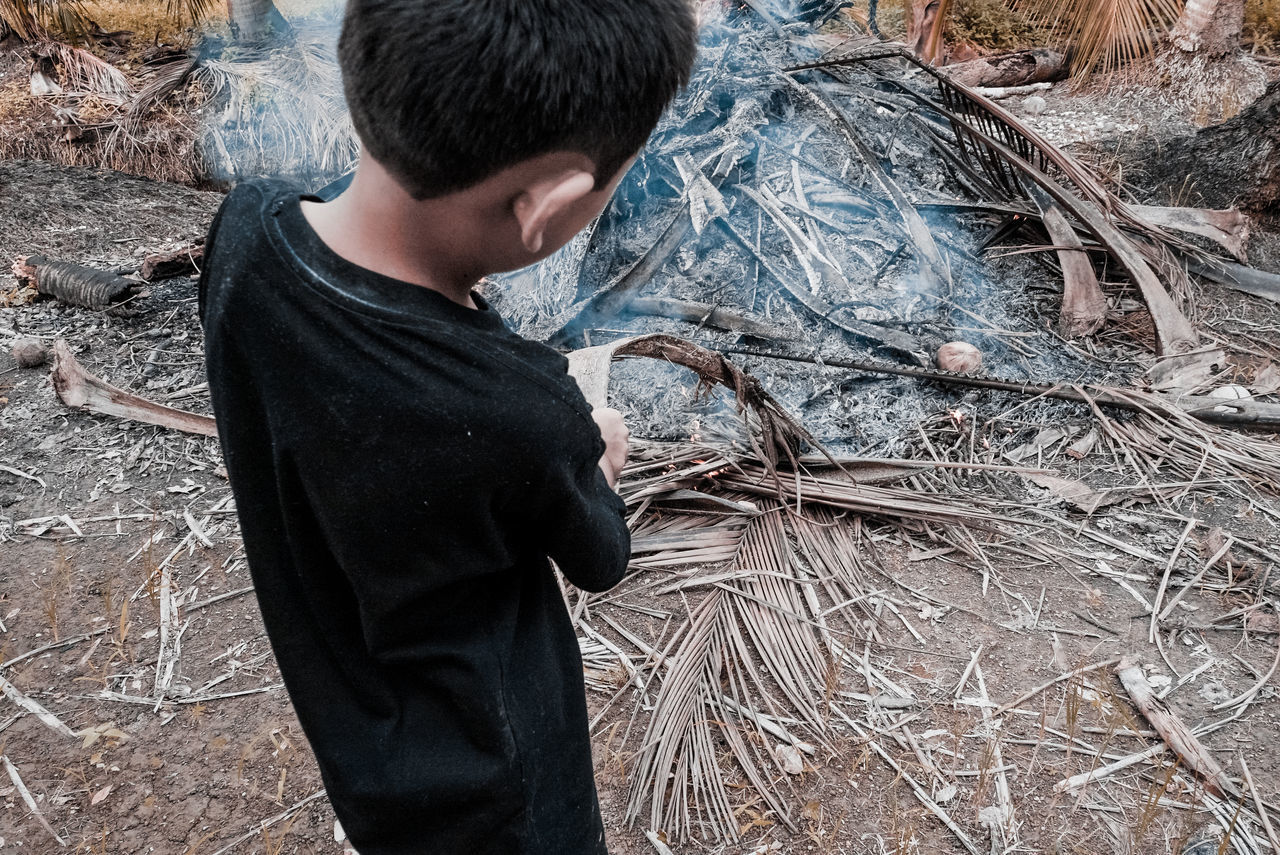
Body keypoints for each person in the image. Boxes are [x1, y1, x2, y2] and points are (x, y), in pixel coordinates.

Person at [197, 2, 698, 853]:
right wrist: (598, 456)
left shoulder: (248, 234)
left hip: (363, 749)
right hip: (500, 794)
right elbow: (600, 555)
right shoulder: (519, 411)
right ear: (548, 203)